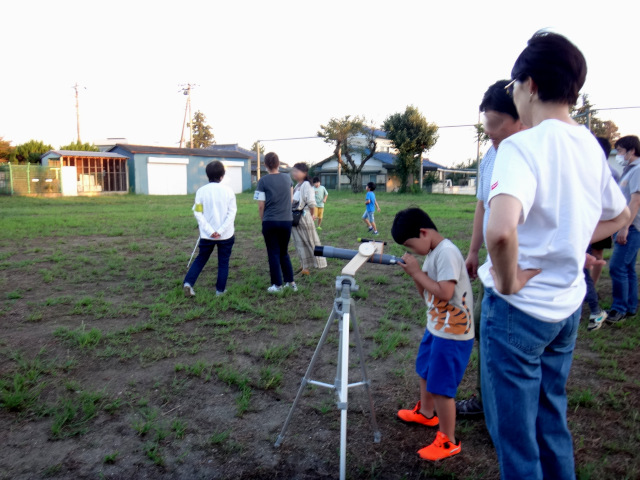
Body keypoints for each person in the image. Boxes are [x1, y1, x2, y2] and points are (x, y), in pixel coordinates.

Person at [479, 32, 629, 480]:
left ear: (531, 85)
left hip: (517, 312)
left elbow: (500, 229)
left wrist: (506, 281)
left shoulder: (522, 146)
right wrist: (572, 241)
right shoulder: (588, 144)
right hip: (565, 309)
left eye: (514, 88)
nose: (516, 96)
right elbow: (620, 216)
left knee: (516, 440)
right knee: (551, 423)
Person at [458, 79, 523, 418]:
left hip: (523, 270)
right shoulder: (492, 156)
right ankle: (488, 402)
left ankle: (503, 410)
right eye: (488, 131)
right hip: (494, 266)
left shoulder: (532, 152)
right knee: (486, 329)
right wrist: (472, 251)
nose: (492, 139)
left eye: (497, 131)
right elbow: (483, 205)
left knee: (507, 341)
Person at [392, 208, 474, 461]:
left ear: (424, 232)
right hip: (437, 328)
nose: (412, 249)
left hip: (453, 334)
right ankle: (427, 413)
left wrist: (417, 272)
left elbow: (445, 293)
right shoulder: (431, 253)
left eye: (410, 244)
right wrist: (416, 275)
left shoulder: (446, 252)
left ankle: (448, 440)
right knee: (425, 371)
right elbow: (428, 294)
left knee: (442, 387)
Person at [183, 161, 237, 297]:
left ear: (207, 175)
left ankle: (188, 283)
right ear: (222, 175)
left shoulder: (201, 191)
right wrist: (220, 231)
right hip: (226, 235)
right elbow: (232, 213)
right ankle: (220, 290)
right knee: (223, 262)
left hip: (207, 236)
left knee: (201, 259)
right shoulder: (228, 191)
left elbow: (198, 212)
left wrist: (209, 230)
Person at [606, 135, 640, 323]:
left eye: (619, 151)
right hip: (629, 226)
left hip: (633, 227)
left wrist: (625, 227)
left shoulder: (638, 170)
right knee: (627, 267)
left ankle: (619, 309)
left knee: (617, 266)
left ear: (631, 150)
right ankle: (630, 307)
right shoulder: (629, 170)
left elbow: (635, 201)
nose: (618, 154)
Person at [254, 152, 298, 293]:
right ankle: (291, 283)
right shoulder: (287, 179)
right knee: (284, 252)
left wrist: (263, 220)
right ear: (278, 164)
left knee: (273, 252)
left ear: (265, 165)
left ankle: (277, 285)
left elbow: (261, 205)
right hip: (286, 220)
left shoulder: (263, 181)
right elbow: (291, 200)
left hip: (270, 221)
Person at [584, 136, 615, 331]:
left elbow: (619, 209)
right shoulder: (589, 169)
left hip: (596, 224)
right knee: (588, 262)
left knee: (591, 260)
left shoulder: (604, 172)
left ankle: (593, 306)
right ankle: (590, 299)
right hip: (589, 224)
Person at [290, 163, 327, 275]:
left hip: (304, 218)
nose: (294, 173)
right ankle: (304, 267)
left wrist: (312, 215)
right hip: (296, 218)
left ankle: (317, 264)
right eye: (293, 171)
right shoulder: (297, 185)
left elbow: (311, 203)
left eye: (297, 171)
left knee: (310, 242)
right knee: (299, 243)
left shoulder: (306, 185)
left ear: (304, 173)